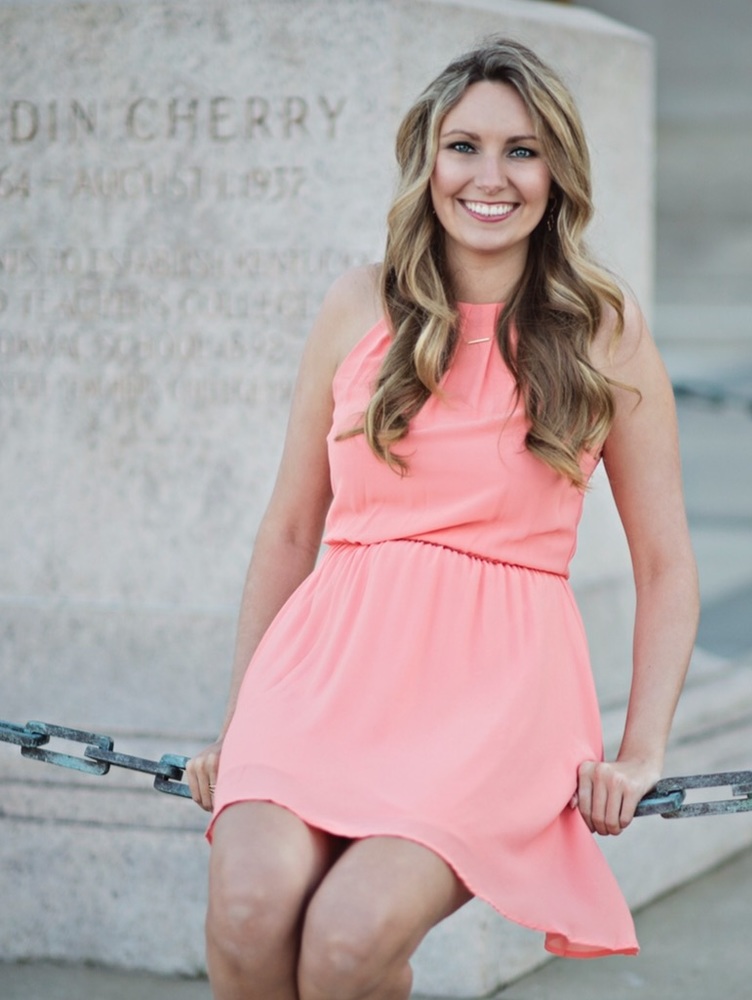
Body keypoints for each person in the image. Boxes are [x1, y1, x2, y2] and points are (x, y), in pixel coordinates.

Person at [184, 36, 699, 1000]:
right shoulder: (358, 305)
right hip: (323, 677)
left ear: (557, 170)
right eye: (464, 147)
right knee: (248, 915)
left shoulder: (603, 329)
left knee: (348, 944)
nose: (489, 177)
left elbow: (664, 562)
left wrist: (642, 750)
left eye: (522, 150)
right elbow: (291, 530)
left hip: (494, 701)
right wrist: (239, 719)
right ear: (427, 160)